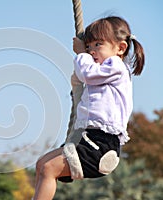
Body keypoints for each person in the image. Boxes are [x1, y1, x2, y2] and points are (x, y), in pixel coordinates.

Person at [33, 16, 145, 200]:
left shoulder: (115, 67)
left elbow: (87, 74)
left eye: (98, 45)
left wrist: (81, 54)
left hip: (101, 144)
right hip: (86, 137)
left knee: (48, 168)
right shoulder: (103, 74)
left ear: (120, 48)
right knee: (41, 165)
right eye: (88, 46)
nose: (91, 51)